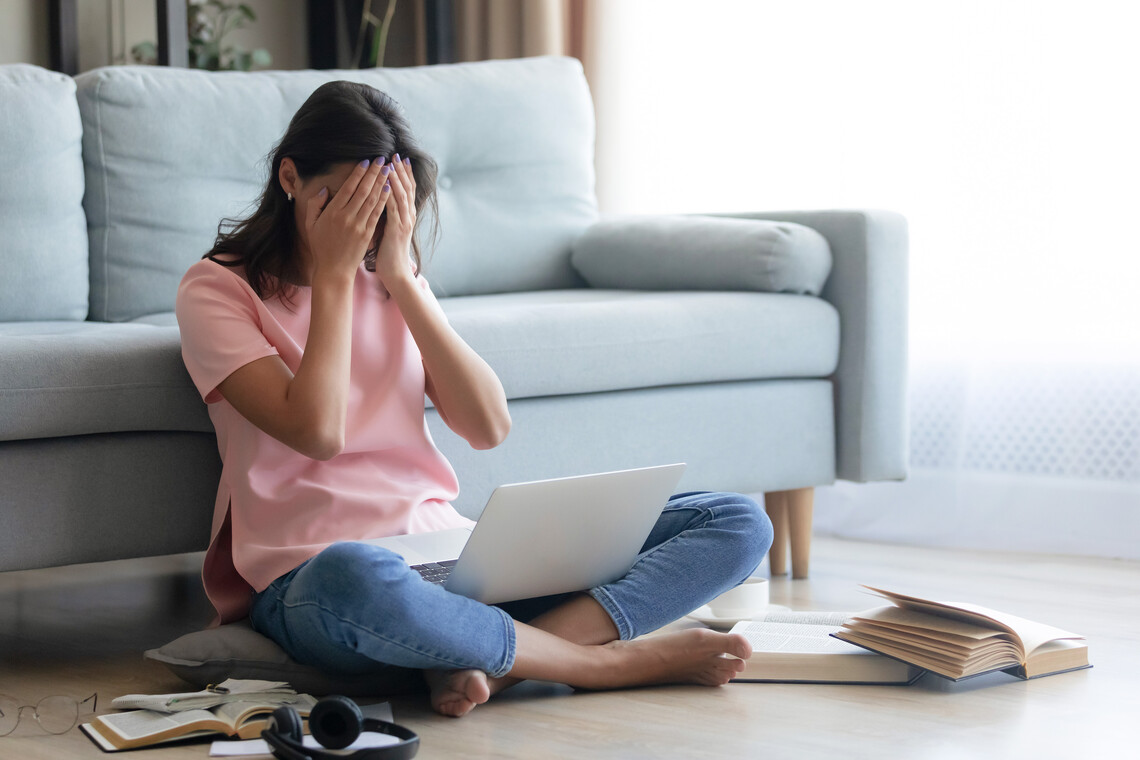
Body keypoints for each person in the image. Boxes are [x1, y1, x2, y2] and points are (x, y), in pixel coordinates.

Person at [175, 81, 774, 718]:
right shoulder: (216, 289)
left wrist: (403, 280)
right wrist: (332, 276)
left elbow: (487, 426)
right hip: (313, 576)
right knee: (353, 575)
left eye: (376, 207)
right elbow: (318, 432)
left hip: (449, 558)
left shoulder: (391, 278)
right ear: (290, 177)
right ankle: (600, 662)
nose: (359, 226)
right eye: (339, 201)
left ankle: (488, 663)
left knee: (735, 521)